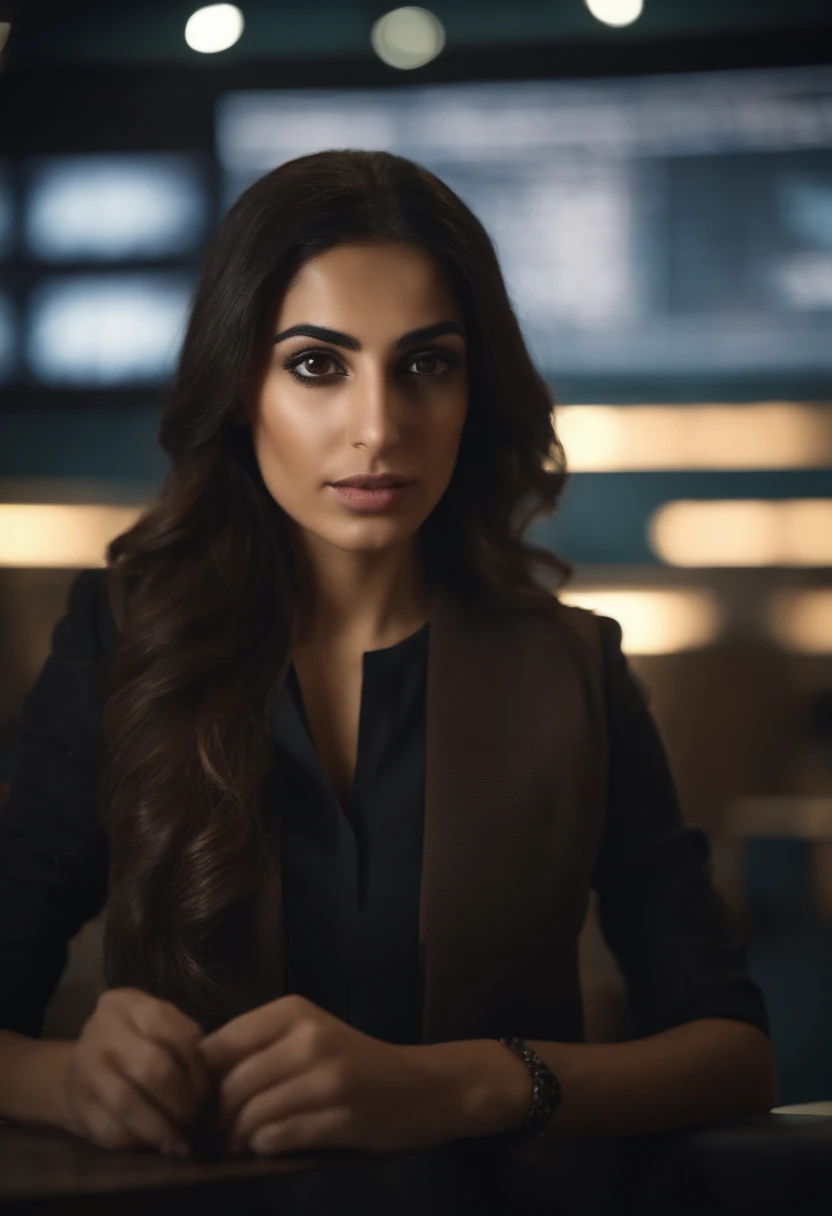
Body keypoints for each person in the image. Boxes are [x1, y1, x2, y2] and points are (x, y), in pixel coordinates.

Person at [0, 149, 776, 1213]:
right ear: (240, 387)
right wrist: (65, 1076)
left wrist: (457, 1083)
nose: (378, 427)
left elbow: (732, 1048)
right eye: (318, 364)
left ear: (473, 388)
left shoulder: (575, 672)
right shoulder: (119, 641)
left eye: (425, 364)